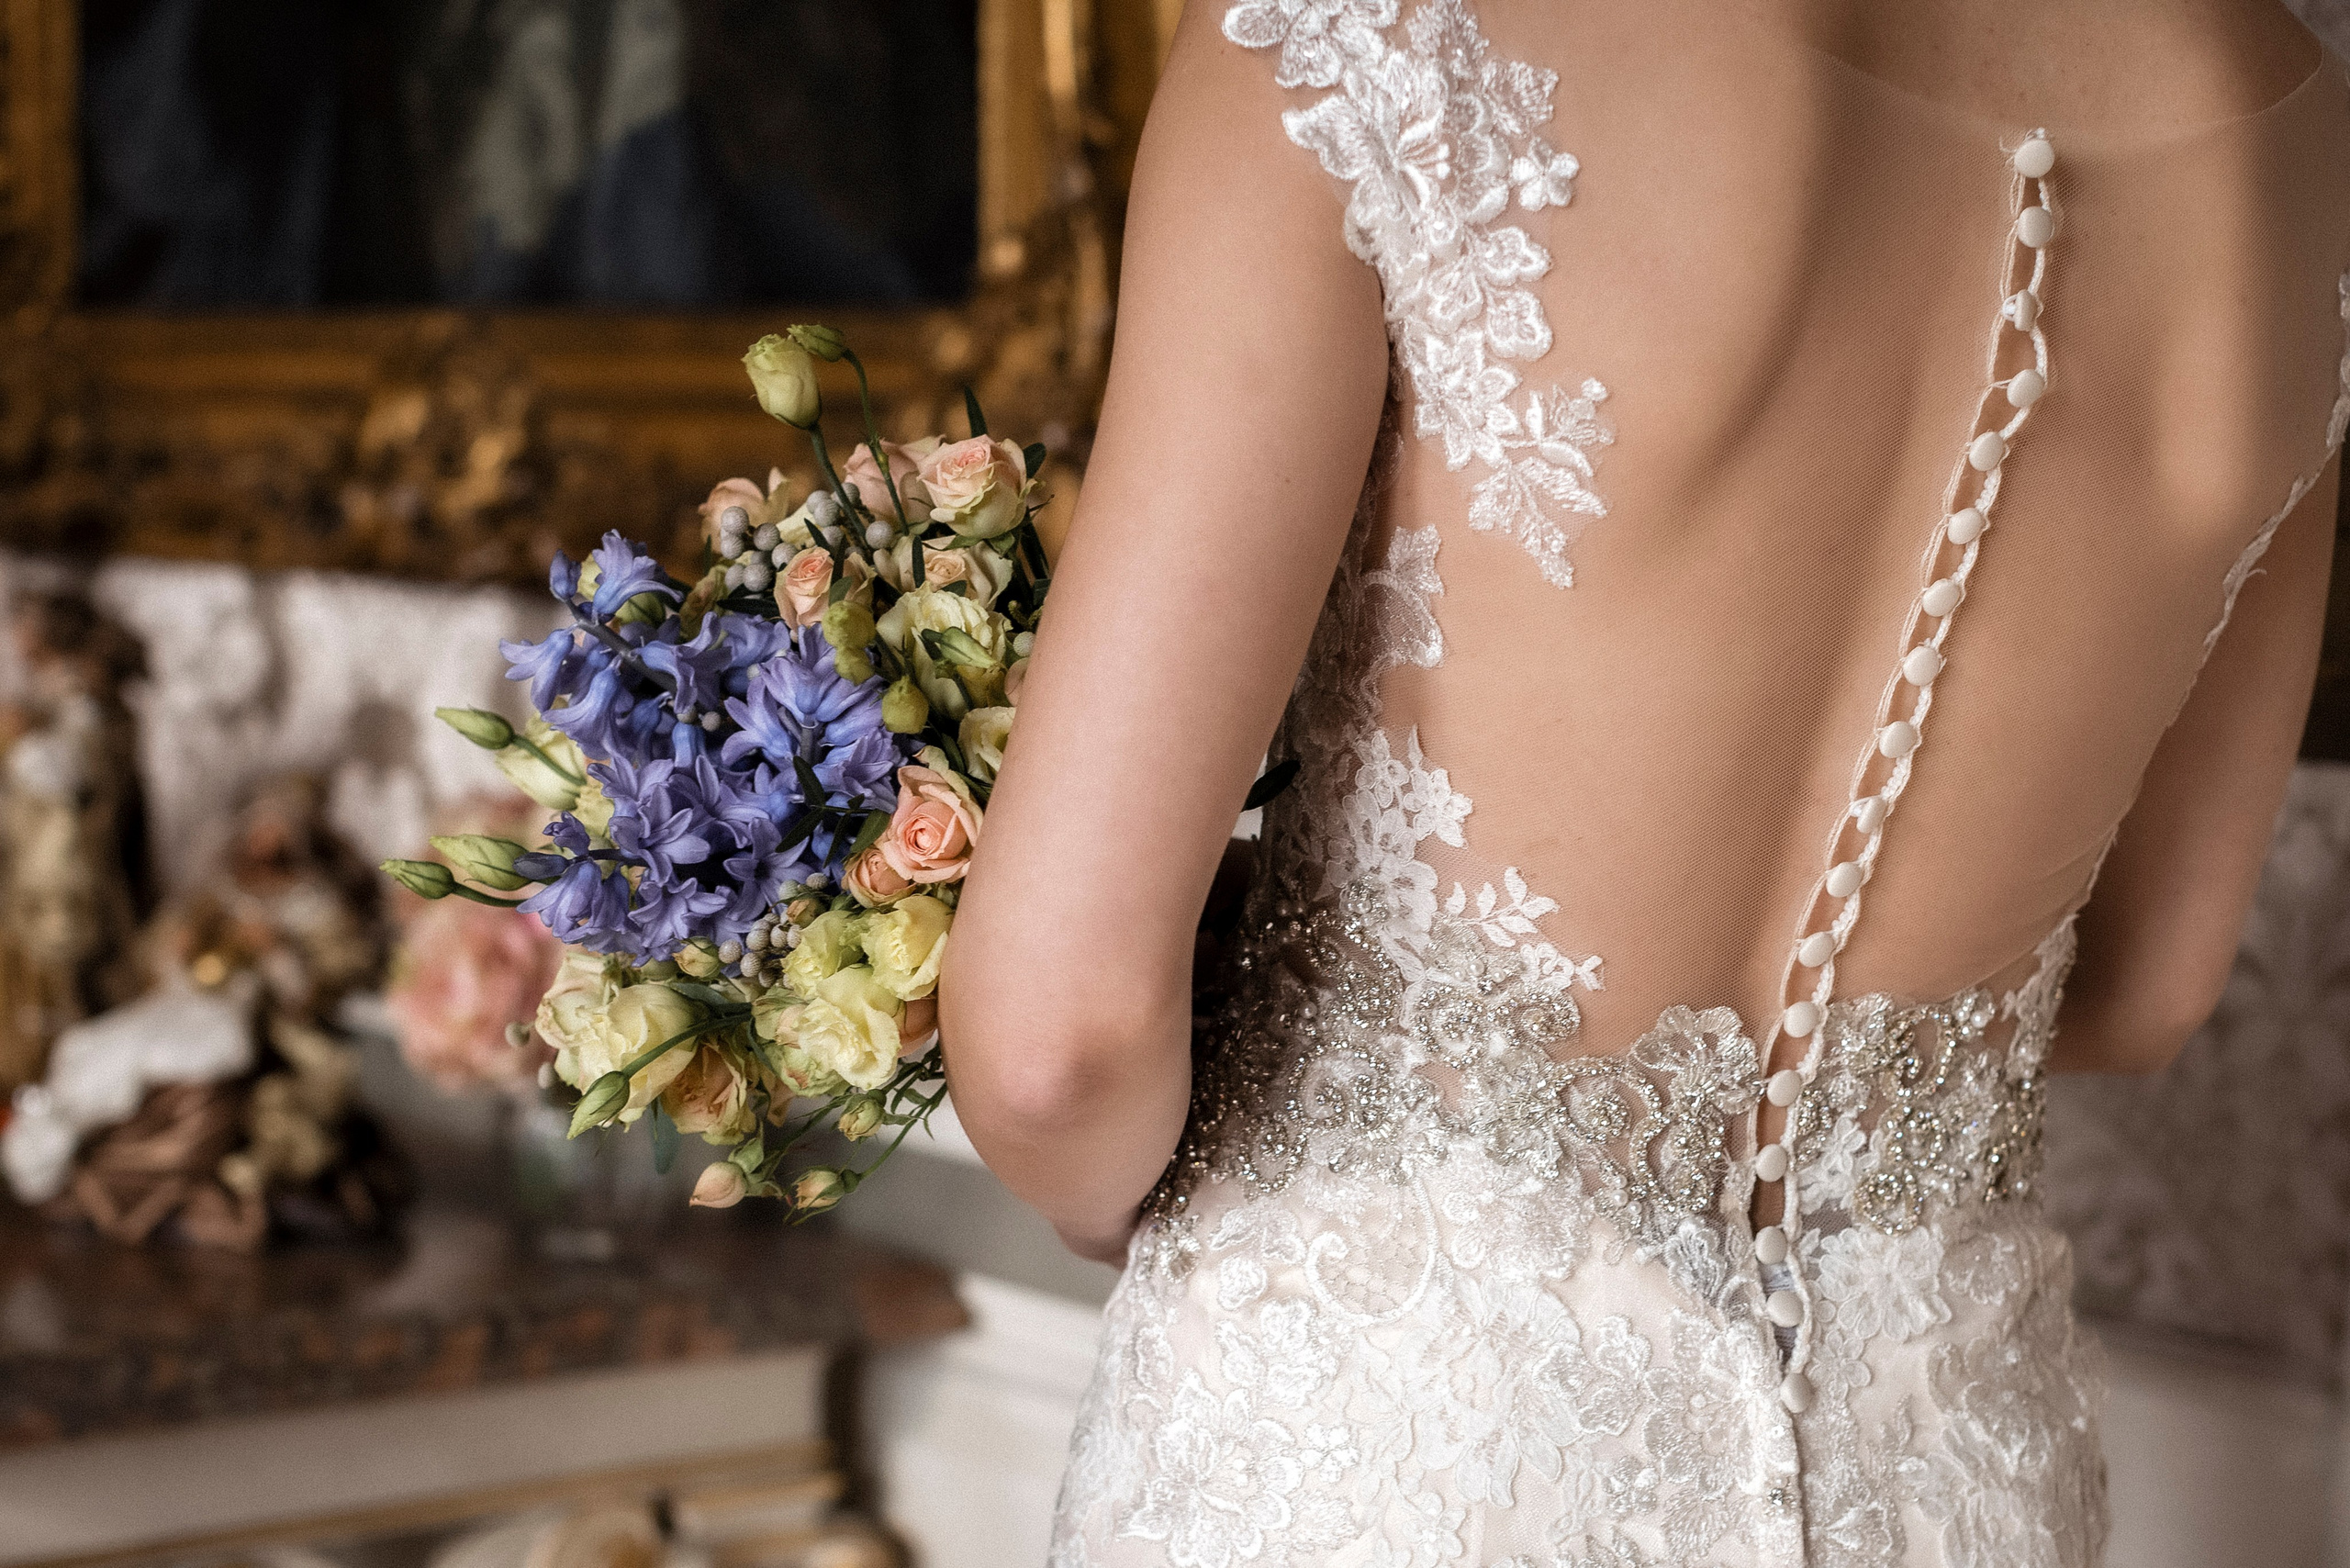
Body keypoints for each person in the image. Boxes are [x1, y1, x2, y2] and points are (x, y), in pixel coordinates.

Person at [941, 1, 2350, 1562]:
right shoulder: (2298, 124)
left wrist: (1121, 1189)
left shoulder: (1379, 29)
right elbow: (2148, 987)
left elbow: (1057, 1047)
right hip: (1951, 1472)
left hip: (1391, 1442)